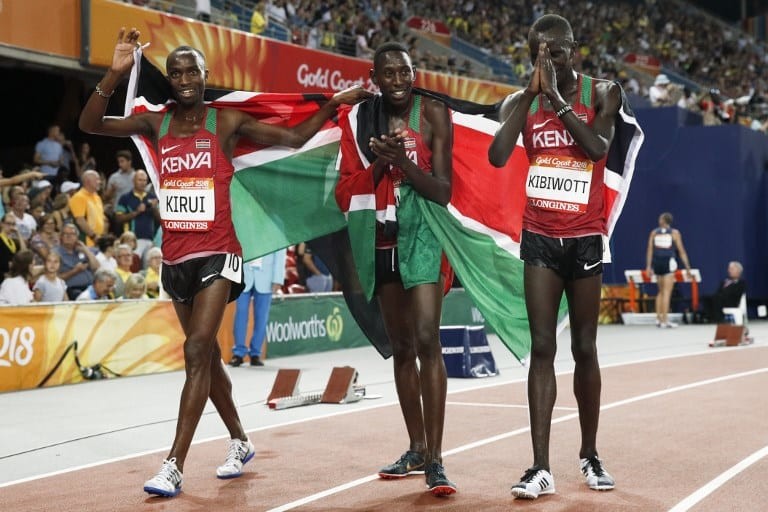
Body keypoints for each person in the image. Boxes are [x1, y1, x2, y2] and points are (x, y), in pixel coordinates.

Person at [78, 27, 370, 498]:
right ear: (170, 79)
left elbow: (295, 136)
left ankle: (174, 464)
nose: (184, 79)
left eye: (191, 71)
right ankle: (240, 440)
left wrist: (332, 103)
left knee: (197, 350)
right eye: (176, 73)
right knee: (208, 359)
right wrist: (114, 74)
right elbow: (91, 124)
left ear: (205, 74)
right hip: (175, 258)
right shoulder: (156, 123)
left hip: (219, 253)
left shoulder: (227, 121)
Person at [488, 14, 622, 499]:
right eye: (537, 54)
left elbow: (597, 148)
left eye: (556, 52)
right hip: (540, 237)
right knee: (542, 347)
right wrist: (530, 96)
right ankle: (540, 466)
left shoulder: (603, 92)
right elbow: (497, 156)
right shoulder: (517, 102)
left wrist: (559, 103)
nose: (548, 61)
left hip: (584, 236)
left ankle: (590, 454)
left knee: (584, 347)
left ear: (574, 49)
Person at [335, 42, 457, 496]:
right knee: (403, 347)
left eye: (405, 71)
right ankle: (417, 448)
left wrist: (402, 162)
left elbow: (443, 191)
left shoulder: (433, 114)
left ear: (413, 73)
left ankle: (437, 460)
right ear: (375, 78)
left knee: (427, 339)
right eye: (389, 73)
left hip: (423, 232)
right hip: (381, 235)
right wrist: (378, 167)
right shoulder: (360, 121)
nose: (399, 80)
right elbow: (344, 192)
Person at [230, 248, 286, 367]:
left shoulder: (275, 234)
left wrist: (278, 279)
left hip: (267, 277)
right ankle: (238, 353)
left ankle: (255, 353)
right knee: (240, 313)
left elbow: (280, 253)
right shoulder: (244, 232)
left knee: (262, 317)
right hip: (243, 275)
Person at [645, 212, 691, 328]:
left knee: (660, 292)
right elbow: (681, 251)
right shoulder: (674, 233)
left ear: (663, 221)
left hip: (657, 263)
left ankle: (658, 319)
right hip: (668, 263)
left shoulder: (654, 233)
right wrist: (687, 267)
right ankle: (664, 320)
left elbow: (650, 250)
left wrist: (649, 266)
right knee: (667, 292)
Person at [115, 169, 159, 258]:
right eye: (140, 180)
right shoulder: (125, 198)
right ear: (133, 181)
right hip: (132, 241)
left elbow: (161, 220)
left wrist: (154, 209)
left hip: (150, 240)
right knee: (134, 263)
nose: (143, 183)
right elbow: (118, 218)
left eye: (145, 180)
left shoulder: (152, 197)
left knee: (149, 265)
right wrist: (137, 212)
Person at [56, 224, 100, 300]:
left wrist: (85, 250)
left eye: (72, 234)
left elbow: (96, 267)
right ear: (61, 237)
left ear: (77, 237)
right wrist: (75, 271)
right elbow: (56, 278)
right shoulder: (56, 253)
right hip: (72, 290)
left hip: (91, 287)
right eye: (65, 234)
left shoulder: (83, 250)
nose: (68, 236)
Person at [69, 170, 107, 247]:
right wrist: (94, 236)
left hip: (98, 241)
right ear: (87, 181)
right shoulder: (79, 197)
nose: (99, 182)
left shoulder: (97, 197)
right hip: (86, 241)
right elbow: (80, 220)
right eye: (97, 179)